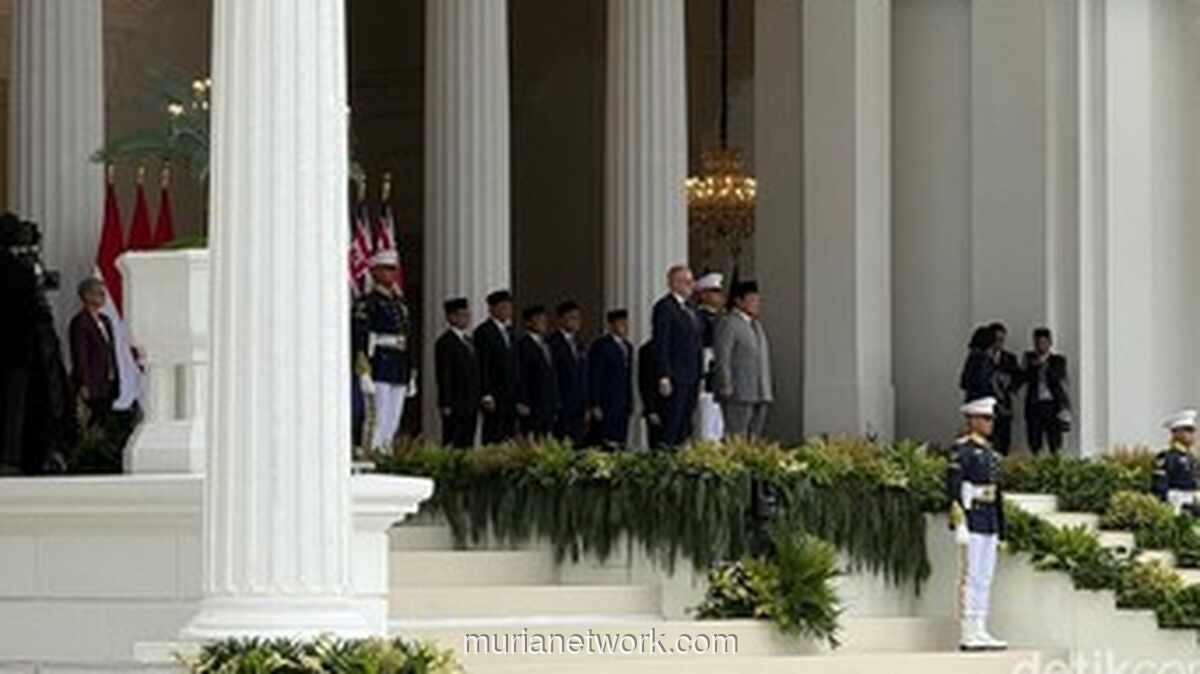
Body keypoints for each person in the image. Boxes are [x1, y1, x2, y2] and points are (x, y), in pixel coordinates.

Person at [946, 396, 1007, 652]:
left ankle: (981, 627)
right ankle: (968, 631)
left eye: (991, 419)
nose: (990, 423)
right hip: (972, 517)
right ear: (972, 420)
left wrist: (1001, 528)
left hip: (989, 518)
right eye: (985, 418)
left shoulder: (991, 453)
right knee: (970, 576)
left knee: (985, 576)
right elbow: (953, 489)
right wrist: (959, 522)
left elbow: (997, 493)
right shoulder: (962, 451)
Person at [353, 250, 416, 452]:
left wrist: (412, 370)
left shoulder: (399, 303)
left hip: (399, 364)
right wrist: (363, 370)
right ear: (374, 272)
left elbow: (407, 337)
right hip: (379, 363)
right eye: (387, 269)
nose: (392, 274)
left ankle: (386, 455)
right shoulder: (368, 303)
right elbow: (360, 338)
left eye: (393, 269)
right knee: (377, 417)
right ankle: (372, 455)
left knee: (393, 418)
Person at [651, 265, 703, 448]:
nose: (692, 285)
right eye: (687, 282)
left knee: (685, 424)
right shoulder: (665, 307)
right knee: (671, 424)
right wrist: (663, 375)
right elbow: (661, 343)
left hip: (692, 375)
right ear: (674, 283)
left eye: (692, 281)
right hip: (675, 375)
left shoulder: (692, 308)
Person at [714, 280, 773, 438]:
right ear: (739, 301)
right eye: (752, 300)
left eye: (757, 300)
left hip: (759, 390)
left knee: (754, 435)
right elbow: (723, 356)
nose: (756, 304)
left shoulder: (756, 325)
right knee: (736, 434)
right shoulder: (729, 323)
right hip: (738, 391)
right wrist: (725, 385)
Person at [68, 278, 119, 428]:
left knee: (105, 420)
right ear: (87, 296)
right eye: (99, 293)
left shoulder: (105, 320)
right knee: (93, 422)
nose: (103, 297)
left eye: (103, 294)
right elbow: (80, 354)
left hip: (108, 380)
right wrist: (84, 383)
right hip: (92, 383)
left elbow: (110, 350)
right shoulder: (80, 322)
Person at [435, 297, 481, 449]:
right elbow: (444, 374)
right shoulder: (445, 342)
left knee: (468, 438)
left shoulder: (469, 341)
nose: (466, 319)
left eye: (467, 315)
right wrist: (445, 402)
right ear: (451, 317)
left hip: (471, 399)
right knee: (453, 438)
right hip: (455, 400)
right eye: (462, 315)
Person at [588, 309, 633, 450]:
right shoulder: (601, 345)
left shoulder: (628, 347)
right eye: (620, 323)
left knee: (621, 439)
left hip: (622, 401)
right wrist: (594, 403)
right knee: (606, 440)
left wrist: (630, 400)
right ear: (611, 325)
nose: (624, 326)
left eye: (625, 323)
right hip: (606, 400)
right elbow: (595, 375)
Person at [476, 289, 517, 444]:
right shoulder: (484, 332)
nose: (508, 311)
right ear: (492, 309)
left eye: (509, 307)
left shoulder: (511, 332)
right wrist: (486, 393)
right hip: (495, 392)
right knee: (493, 432)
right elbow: (483, 364)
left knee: (508, 433)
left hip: (510, 392)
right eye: (503, 307)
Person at [1022, 327, 1071, 454]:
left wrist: (1044, 366)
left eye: (1044, 343)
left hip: (1053, 404)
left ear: (1050, 343)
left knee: (1055, 441)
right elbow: (1023, 377)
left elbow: (1058, 377)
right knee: (1034, 440)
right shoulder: (1029, 358)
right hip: (1035, 404)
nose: (1040, 346)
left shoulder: (1058, 360)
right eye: (1037, 343)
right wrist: (1033, 366)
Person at [548, 300, 588, 444]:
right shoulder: (552, 343)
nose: (576, 321)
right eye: (572, 317)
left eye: (578, 317)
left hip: (579, 403)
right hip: (562, 402)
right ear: (560, 319)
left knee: (577, 441)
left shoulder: (580, 343)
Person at [515, 305, 558, 437]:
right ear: (528, 322)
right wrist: (522, 400)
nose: (543, 322)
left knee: (546, 438)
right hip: (532, 402)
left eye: (544, 319)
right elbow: (520, 374)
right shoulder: (523, 345)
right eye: (538, 319)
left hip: (547, 402)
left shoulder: (547, 344)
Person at [693, 272, 726, 441]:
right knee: (705, 425)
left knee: (717, 425)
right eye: (714, 291)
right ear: (703, 294)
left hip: (717, 376)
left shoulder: (719, 318)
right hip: (705, 375)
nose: (719, 296)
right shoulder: (698, 318)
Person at [1152, 409, 1199, 515]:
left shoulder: (1192, 458)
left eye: (1192, 430)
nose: (1192, 434)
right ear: (1176, 433)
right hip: (1176, 506)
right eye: (1188, 430)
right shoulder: (1166, 457)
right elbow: (1160, 488)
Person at [987, 322, 1021, 455]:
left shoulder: (1009, 358)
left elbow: (1018, 377)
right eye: (997, 339)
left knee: (1004, 438)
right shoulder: (982, 357)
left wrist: (1010, 386)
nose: (999, 343)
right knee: (987, 438)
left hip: (1004, 404)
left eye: (1002, 339)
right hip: (987, 404)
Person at [638, 339, 664, 450]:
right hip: (656, 404)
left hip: (675, 406)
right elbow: (645, 381)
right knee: (656, 444)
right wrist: (651, 409)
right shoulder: (648, 349)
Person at [959, 326, 995, 404]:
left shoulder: (971, 357)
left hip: (971, 399)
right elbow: (984, 383)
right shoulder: (983, 359)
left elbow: (963, 382)